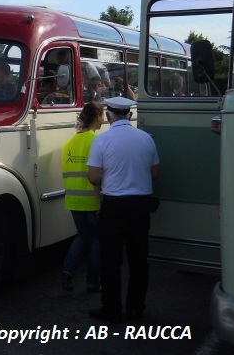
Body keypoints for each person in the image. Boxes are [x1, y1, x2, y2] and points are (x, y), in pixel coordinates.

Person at [86, 96, 160, 324]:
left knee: (111, 261)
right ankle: (136, 307)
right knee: (138, 260)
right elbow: (155, 173)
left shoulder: (101, 141)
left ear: (108, 116)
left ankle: (112, 309)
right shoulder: (146, 139)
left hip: (113, 207)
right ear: (130, 115)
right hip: (139, 206)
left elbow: (94, 177)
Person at [60, 102, 105, 293]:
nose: (104, 119)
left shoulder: (69, 143)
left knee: (81, 237)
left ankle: (67, 271)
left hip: (73, 201)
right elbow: (96, 177)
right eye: (103, 115)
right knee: (96, 240)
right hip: (91, 201)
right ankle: (93, 282)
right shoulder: (96, 141)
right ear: (97, 117)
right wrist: (101, 201)